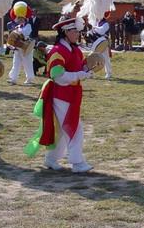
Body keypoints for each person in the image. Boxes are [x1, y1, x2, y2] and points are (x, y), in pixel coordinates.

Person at [25, 14, 94, 171]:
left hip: (71, 94)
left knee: (63, 130)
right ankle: (77, 163)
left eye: (78, 31)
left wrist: (87, 70)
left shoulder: (75, 50)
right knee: (74, 127)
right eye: (75, 31)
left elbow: (80, 66)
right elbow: (57, 76)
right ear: (66, 32)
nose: (78, 34)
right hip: (61, 94)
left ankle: (50, 159)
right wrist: (79, 75)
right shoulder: (58, 50)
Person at [7, 1, 36, 85]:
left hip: (26, 47)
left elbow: (24, 34)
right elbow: (13, 36)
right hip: (17, 48)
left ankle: (29, 79)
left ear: (25, 19)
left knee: (27, 64)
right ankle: (13, 78)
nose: (19, 20)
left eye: (21, 18)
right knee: (16, 63)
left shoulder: (28, 26)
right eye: (18, 18)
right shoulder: (17, 27)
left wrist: (16, 32)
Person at [86, 12, 112, 79]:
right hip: (96, 42)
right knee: (93, 58)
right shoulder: (96, 22)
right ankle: (90, 73)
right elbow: (93, 31)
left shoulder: (106, 23)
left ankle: (108, 73)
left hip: (103, 43)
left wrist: (94, 27)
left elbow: (101, 31)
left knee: (106, 58)